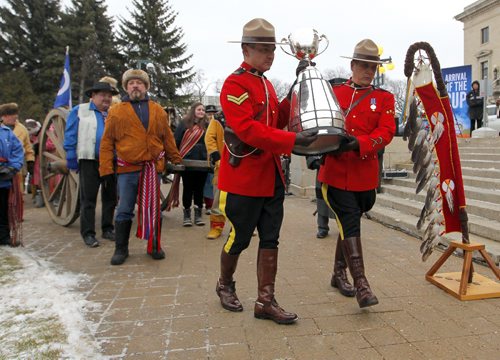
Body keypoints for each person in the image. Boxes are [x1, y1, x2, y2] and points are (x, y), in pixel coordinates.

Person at [215, 18, 317, 325]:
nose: (270, 55)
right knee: (240, 238)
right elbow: (248, 130)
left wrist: (298, 87)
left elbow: (278, 118)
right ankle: (225, 284)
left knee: (271, 239)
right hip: (244, 177)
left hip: (271, 175)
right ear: (246, 49)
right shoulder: (235, 84)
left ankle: (266, 301)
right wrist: (292, 140)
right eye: (263, 50)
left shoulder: (266, 83)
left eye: (272, 50)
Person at [318, 39, 396, 308]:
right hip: (336, 172)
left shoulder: (384, 98)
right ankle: (361, 283)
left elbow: (386, 132)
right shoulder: (334, 91)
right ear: (352, 65)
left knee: (348, 224)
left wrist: (360, 143)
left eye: (372, 67)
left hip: (365, 174)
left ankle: (338, 273)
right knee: (350, 221)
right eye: (363, 66)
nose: (368, 72)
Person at [99, 69, 182, 265]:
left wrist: (176, 159)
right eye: (131, 83)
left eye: (139, 82)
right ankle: (121, 249)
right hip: (128, 170)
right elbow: (107, 142)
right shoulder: (116, 112)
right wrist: (106, 169)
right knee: (125, 209)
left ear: (146, 87)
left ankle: (154, 246)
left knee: (154, 209)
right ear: (126, 87)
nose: (135, 85)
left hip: (152, 169)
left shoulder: (157, 110)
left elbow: (167, 137)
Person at [63, 82, 119, 248]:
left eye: (109, 95)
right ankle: (88, 233)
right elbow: (71, 133)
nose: (107, 98)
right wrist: (71, 155)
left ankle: (108, 229)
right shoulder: (80, 110)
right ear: (93, 96)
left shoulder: (113, 113)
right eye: (103, 95)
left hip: (110, 161)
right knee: (88, 198)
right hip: (89, 159)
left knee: (110, 197)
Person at [173, 102, 209, 227]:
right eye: (199, 109)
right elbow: (176, 140)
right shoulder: (184, 124)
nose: (201, 112)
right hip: (187, 161)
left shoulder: (207, 125)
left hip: (203, 162)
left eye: (203, 110)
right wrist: (175, 158)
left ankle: (198, 215)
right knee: (188, 188)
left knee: (199, 189)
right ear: (193, 110)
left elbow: (212, 140)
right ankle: (187, 215)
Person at [0, 108, 24, 246]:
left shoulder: (7, 133)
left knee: (4, 209)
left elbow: (17, 150)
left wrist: (12, 167)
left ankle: (3, 237)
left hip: (4, 178)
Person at [0, 103, 35, 191]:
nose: (14, 118)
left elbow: (28, 147)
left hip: (16, 165)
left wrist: (30, 161)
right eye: (11, 116)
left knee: (17, 191)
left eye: (15, 116)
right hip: (2, 165)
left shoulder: (22, 129)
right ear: (3, 116)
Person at [204, 106, 226, 239]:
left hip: (242, 166)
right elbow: (209, 138)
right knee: (218, 199)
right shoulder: (217, 119)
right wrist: (216, 157)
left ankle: (241, 227)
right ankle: (216, 227)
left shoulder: (246, 116)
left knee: (241, 200)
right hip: (222, 166)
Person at [306, 155, 334, 238]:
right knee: (321, 199)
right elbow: (310, 145)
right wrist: (314, 162)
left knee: (342, 200)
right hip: (322, 167)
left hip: (340, 166)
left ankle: (345, 227)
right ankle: (322, 227)